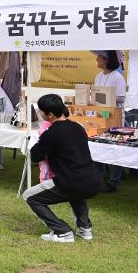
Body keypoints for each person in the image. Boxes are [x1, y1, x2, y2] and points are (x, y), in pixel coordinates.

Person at [23, 94, 102, 243]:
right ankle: (85, 229)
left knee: (30, 196)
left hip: (70, 182)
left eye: (41, 111)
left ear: (50, 114)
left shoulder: (51, 133)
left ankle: (62, 231)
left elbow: (35, 155)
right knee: (76, 192)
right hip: (92, 179)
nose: (40, 114)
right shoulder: (78, 127)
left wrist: (38, 142)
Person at [92, 50, 127, 189]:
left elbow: (121, 98)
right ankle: (99, 178)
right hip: (100, 116)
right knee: (99, 146)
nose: (97, 60)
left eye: (99, 57)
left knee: (114, 148)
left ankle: (114, 181)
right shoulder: (98, 76)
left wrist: (101, 97)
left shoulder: (117, 77)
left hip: (114, 117)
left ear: (106, 59)